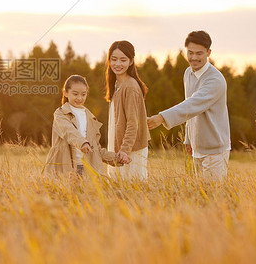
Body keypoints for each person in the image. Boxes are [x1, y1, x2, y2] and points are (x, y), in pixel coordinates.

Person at [147, 30, 231, 180]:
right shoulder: (188, 73)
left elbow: (193, 104)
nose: (194, 58)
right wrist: (188, 138)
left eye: (199, 53)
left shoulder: (215, 80)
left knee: (214, 197)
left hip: (215, 150)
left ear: (208, 52)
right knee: (199, 196)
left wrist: (161, 117)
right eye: (190, 53)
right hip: (196, 148)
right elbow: (191, 111)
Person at [44, 74, 130, 177]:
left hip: (85, 168)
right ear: (65, 93)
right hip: (65, 166)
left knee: (87, 192)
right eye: (75, 94)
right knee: (66, 192)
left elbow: (96, 149)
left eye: (83, 94)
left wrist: (117, 158)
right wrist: (82, 143)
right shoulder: (60, 114)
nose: (80, 98)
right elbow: (68, 131)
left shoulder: (91, 117)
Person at [105, 41, 151, 181]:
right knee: (118, 189)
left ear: (131, 61)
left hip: (131, 150)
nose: (118, 64)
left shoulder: (130, 87)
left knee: (134, 189)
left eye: (123, 60)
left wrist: (125, 150)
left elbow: (133, 123)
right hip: (119, 147)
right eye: (114, 59)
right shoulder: (118, 84)